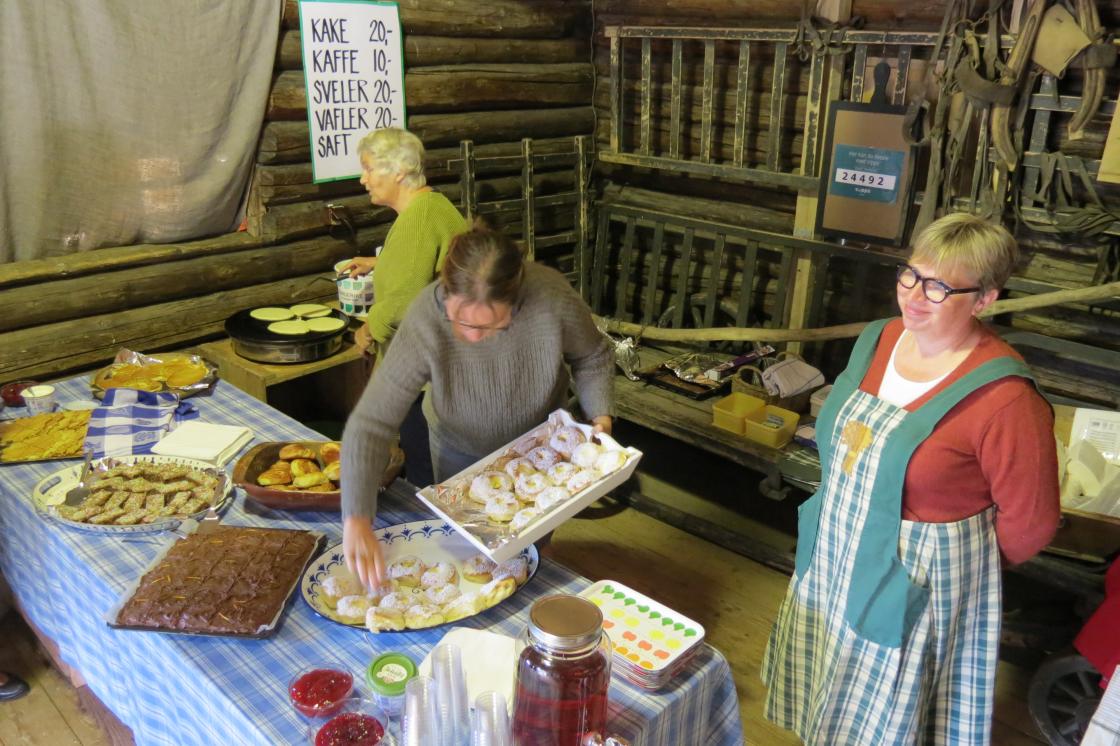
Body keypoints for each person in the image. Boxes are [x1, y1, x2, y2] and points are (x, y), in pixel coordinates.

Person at [762, 212, 1060, 744]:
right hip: (836, 550)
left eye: (941, 286)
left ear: (986, 298)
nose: (915, 296)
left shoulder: (1006, 399)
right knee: (830, 678)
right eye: (910, 274)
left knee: (886, 711)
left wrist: (960, 562)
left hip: (916, 573)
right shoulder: (878, 339)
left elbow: (1032, 524)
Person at [340, 226, 614, 589]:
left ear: (515, 300)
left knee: (533, 558)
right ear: (445, 291)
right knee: (470, 563)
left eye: (491, 325)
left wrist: (601, 416)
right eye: (461, 321)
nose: (471, 336)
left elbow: (593, 355)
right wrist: (357, 515)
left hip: (539, 454)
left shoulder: (550, 296)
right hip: (458, 454)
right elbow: (372, 420)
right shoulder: (425, 315)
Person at [341, 127, 467, 486]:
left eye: (369, 169)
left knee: (425, 475)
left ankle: (433, 535)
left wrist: (369, 328)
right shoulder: (435, 206)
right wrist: (379, 262)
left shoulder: (417, 221)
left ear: (398, 172)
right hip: (448, 365)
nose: (363, 179)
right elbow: (428, 268)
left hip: (424, 374)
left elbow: (404, 304)